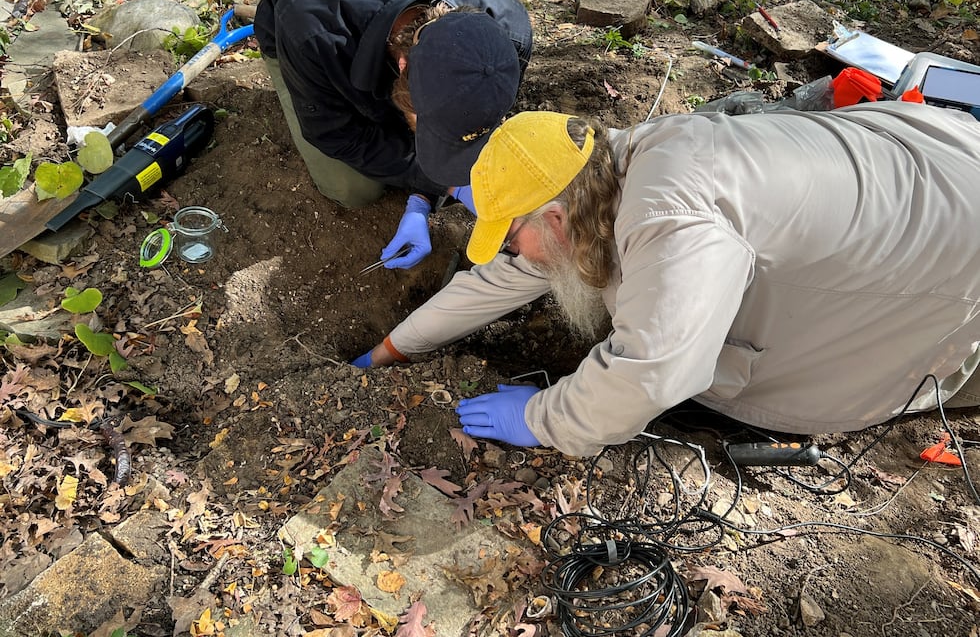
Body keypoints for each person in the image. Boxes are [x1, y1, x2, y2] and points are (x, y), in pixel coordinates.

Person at [352, 102, 980, 457]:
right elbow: (506, 276)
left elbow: (655, 370)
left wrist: (544, 419)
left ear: (553, 215)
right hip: (941, 154)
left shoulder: (672, 222)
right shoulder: (611, 162)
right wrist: (391, 349)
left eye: (513, 235)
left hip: (955, 245)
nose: (514, 254)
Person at [254, 0, 532, 269]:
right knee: (354, 189)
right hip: (296, 28)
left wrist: (424, 193)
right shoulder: (313, 32)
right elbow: (333, 133)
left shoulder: (509, 32)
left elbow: (472, 118)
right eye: (423, 125)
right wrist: (446, 183)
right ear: (401, 65)